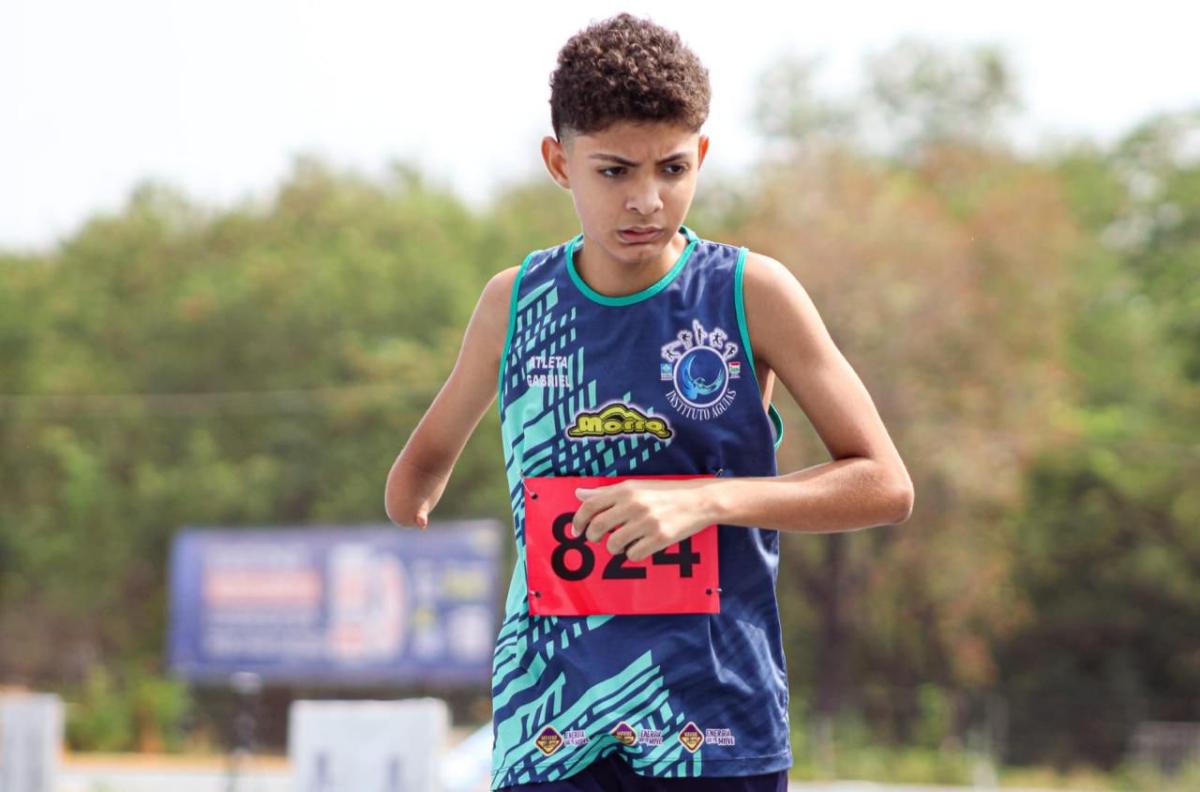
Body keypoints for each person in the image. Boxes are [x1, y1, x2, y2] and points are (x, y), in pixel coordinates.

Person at [384, 12, 915, 791]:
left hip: (712, 726)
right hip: (550, 726)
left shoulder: (750, 294)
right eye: (614, 172)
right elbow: (421, 468)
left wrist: (702, 501)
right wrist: (414, 502)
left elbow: (885, 484)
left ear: (702, 155)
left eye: (671, 168)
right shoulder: (514, 304)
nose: (646, 200)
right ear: (559, 163)